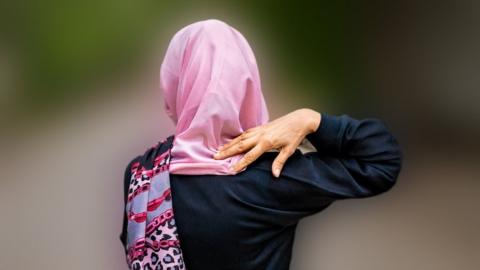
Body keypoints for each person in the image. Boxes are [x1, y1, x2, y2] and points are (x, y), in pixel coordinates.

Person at [119, 19, 403, 270]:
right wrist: (311, 120)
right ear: (247, 84)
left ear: (175, 83)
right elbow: (382, 159)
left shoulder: (141, 175)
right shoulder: (272, 175)